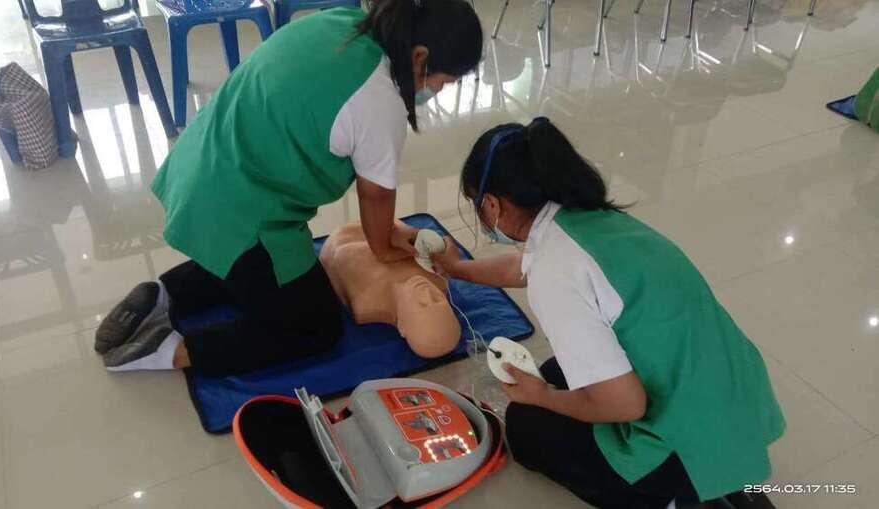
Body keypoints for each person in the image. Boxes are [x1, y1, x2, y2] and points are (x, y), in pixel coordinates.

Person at [93, 0, 483, 375]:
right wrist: (396, 247)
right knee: (314, 324)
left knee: (263, 270)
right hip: (240, 207)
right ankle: (170, 351)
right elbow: (377, 215)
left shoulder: (339, 22)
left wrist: (399, 238)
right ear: (419, 56)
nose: (437, 92)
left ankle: (163, 294)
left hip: (200, 163)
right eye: (442, 82)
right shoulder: (381, 101)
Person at [431, 118, 785, 508]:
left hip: (681, 436)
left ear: (492, 204)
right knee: (555, 371)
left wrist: (543, 396)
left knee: (526, 424)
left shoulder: (555, 271)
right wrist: (458, 268)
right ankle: (725, 481)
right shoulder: (590, 220)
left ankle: (675, 495)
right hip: (734, 399)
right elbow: (523, 268)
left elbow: (626, 405)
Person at [319, 221, 461, 358]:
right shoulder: (439, 278)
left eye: (423, 305)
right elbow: (442, 242)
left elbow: (340, 254)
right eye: (438, 300)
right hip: (387, 226)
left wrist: (384, 243)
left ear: (402, 327)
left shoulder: (364, 301)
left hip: (346, 237)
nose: (427, 293)